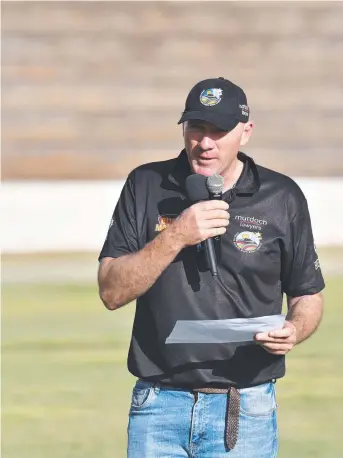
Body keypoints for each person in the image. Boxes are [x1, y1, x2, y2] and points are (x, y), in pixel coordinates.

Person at [98, 77, 325, 458]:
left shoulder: (281, 196)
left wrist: (294, 329)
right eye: (196, 129)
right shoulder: (146, 184)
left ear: (246, 132)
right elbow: (111, 291)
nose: (205, 143)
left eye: (219, 131)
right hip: (157, 406)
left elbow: (307, 293)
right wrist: (177, 236)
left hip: (245, 406)